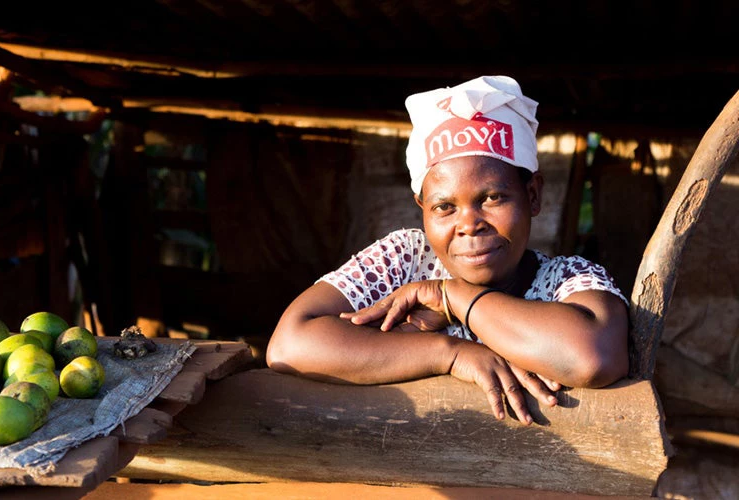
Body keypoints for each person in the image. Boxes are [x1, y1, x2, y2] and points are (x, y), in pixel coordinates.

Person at [266, 76, 629, 426]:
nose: (469, 223)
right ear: (421, 208)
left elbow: (593, 357)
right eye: (444, 207)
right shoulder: (406, 259)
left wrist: (455, 297)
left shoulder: (565, 279)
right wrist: (449, 354)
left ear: (532, 195)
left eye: (492, 197)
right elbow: (289, 345)